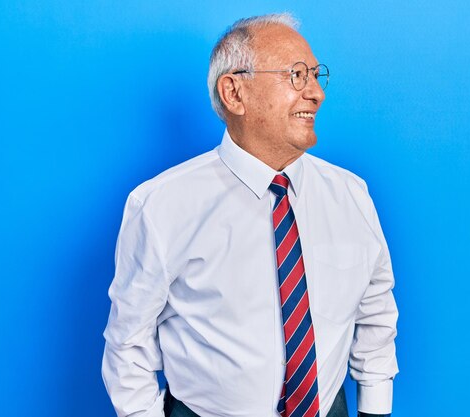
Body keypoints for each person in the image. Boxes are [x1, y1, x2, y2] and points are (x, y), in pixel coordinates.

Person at [102, 13, 398, 417]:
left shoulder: (350, 194)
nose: (316, 93)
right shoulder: (161, 205)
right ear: (234, 92)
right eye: (296, 75)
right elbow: (127, 342)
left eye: (315, 75)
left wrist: (375, 408)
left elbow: (375, 307)